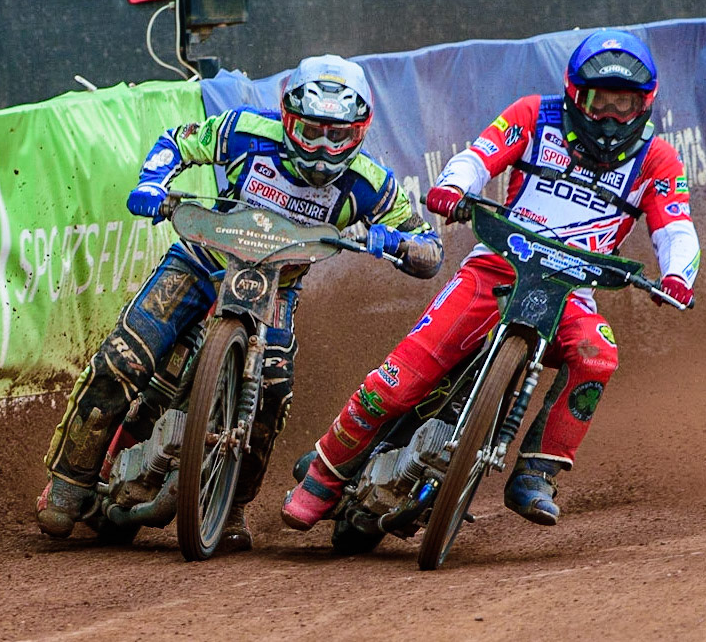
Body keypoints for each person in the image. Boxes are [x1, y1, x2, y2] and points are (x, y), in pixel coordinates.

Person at [282, 29, 700, 529]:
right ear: (573, 95)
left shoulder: (657, 159)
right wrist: (454, 187)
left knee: (599, 354)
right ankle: (324, 476)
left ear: (645, 105)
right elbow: (477, 157)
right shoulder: (533, 115)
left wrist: (678, 274)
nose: (610, 117)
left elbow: (676, 226)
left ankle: (536, 471)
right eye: (597, 102)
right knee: (399, 380)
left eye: (624, 104)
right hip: (498, 265)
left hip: (571, 290)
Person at [37, 54, 444, 548]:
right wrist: (152, 182)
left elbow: (430, 247)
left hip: (274, 285)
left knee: (272, 392)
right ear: (288, 117)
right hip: (201, 257)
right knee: (125, 355)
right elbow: (177, 142)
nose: (321, 147)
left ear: (360, 131)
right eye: (312, 130)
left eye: (337, 135)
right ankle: (68, 483)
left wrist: (400, 245)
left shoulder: (369, 182)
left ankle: (231, 507)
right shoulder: (243, 130)